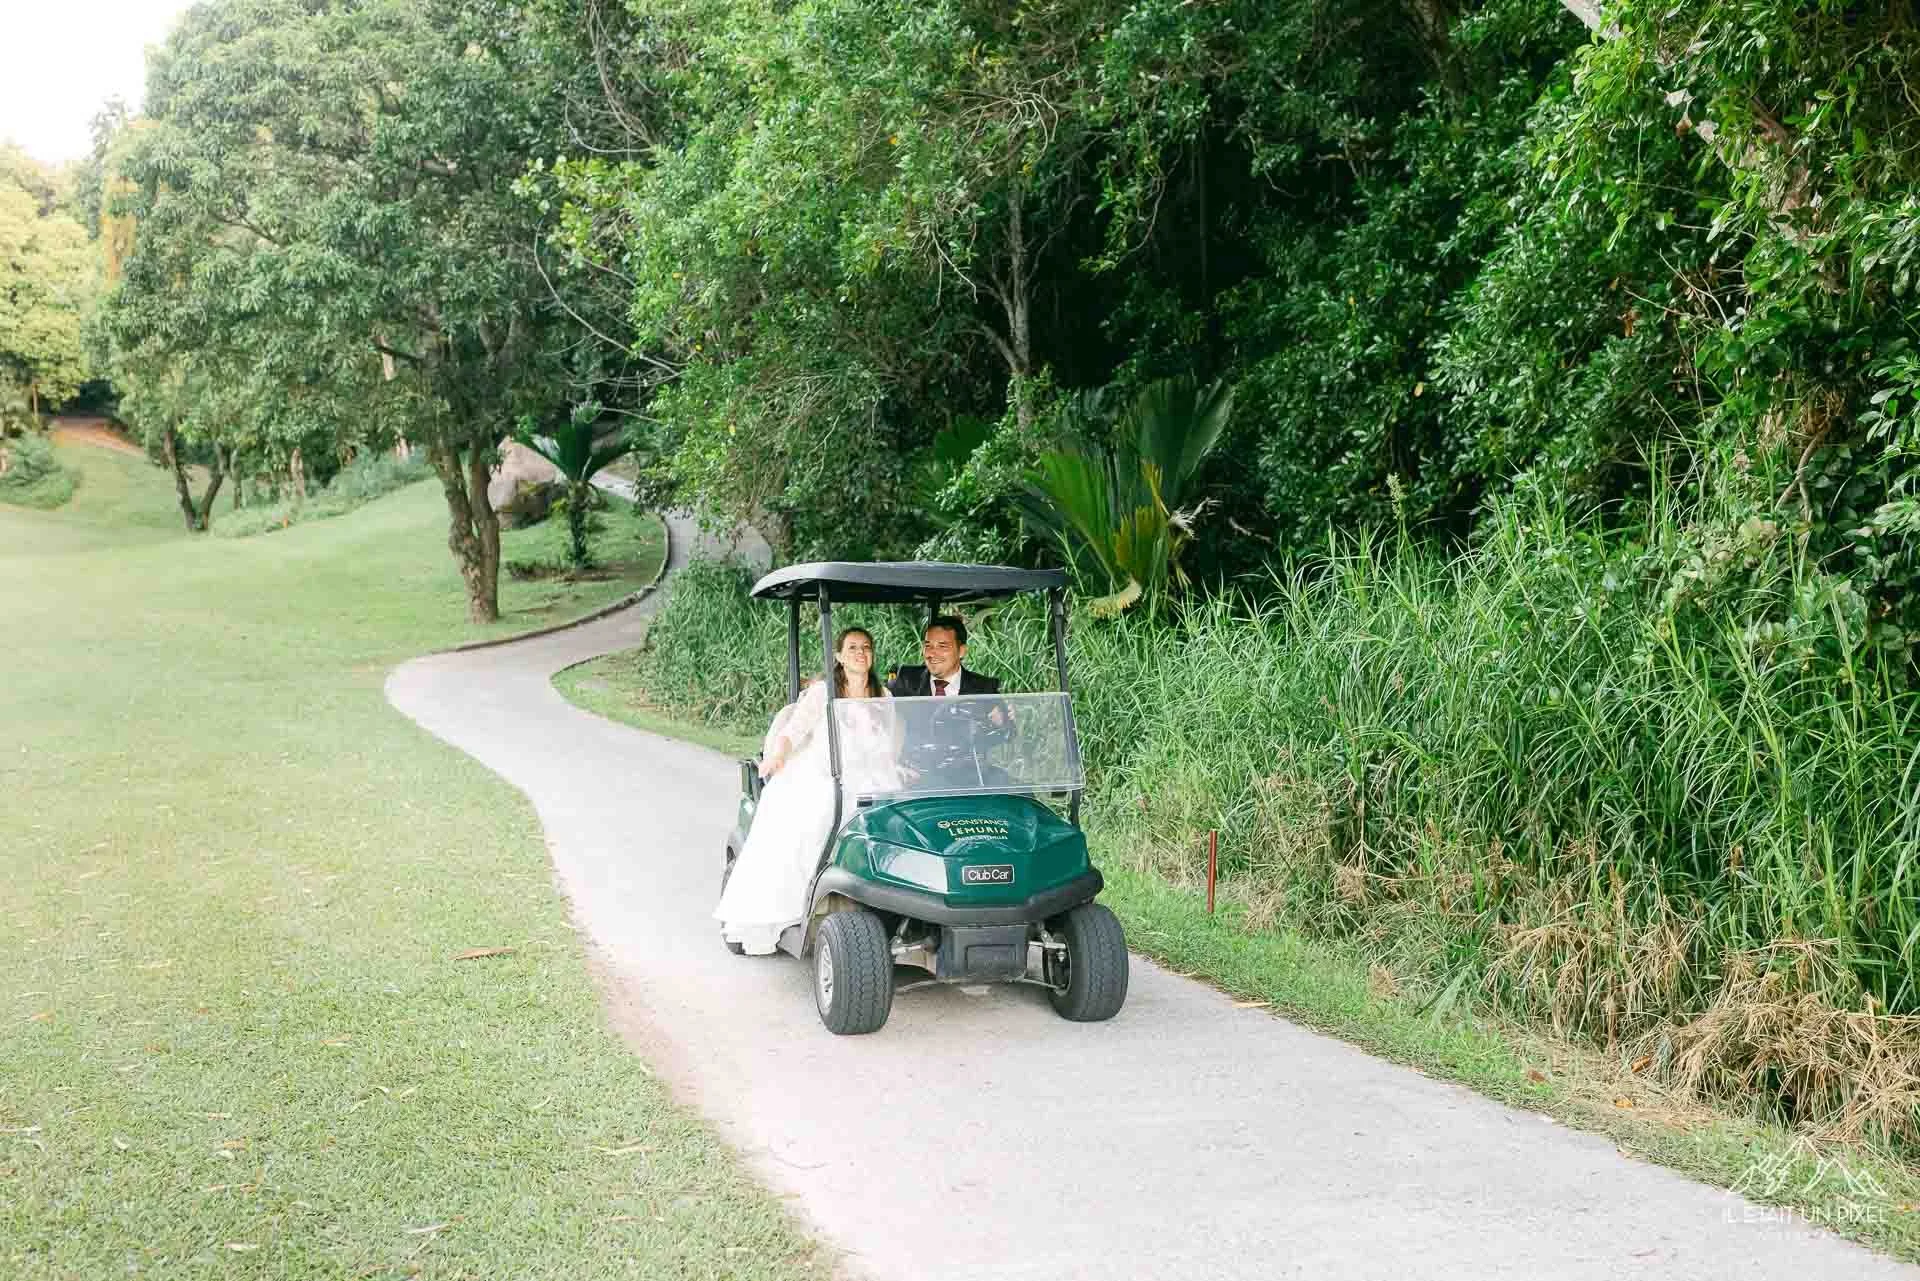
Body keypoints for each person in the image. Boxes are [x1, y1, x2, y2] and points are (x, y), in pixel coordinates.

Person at [713, 627, 899, 955]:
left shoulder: (883, 696)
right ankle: (801, 904)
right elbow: (793, 731)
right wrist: (777, 755)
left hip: (872, 775)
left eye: (866, 647)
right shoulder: (823, 692)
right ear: (839, 656)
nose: (860, 653)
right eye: (853, 647)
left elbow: (890, 745)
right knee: (819, 815)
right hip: (824, 774)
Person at [887, 615, 1000, 698]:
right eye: (928, 645)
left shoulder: (985, 689)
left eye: (942, 646)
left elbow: (1005, 728)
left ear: (961, 651)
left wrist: (1001, 720)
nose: (932, 653)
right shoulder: (906, 679)